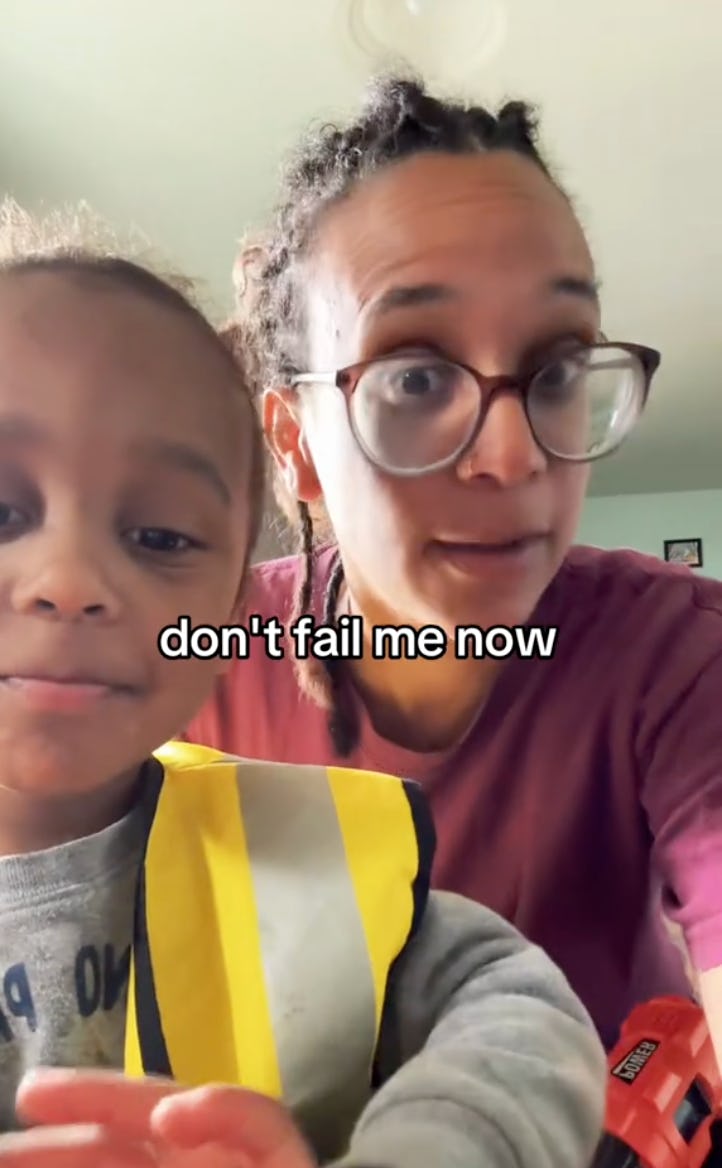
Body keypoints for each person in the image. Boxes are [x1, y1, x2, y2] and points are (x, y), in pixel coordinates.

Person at [0, 199, 606, 1168]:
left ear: (233, 603)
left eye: (159, 535)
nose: (70, 581)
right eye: (1, 509)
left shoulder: (327, 860)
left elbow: (518, 1017)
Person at [184, 73, 722, 1059]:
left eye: (556, 366)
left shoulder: (677, 656)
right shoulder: (198, 663)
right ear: (293, 445)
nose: (515, 455)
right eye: (417, 376)